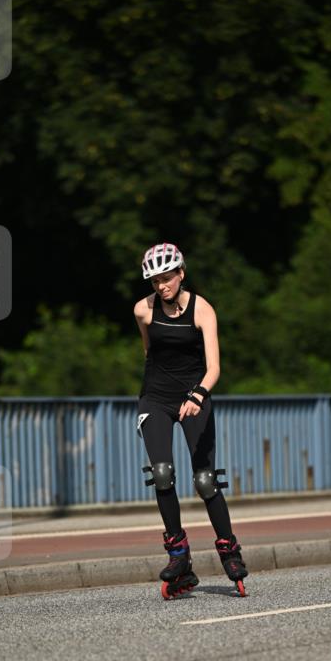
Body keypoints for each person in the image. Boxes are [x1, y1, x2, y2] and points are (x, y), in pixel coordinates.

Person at [134, 242, 248, 598]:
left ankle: (229, 549)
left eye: (166, 277)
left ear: (181, 274)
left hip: (195, 395)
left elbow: (215, 367)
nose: (161, 285)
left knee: (204, 480)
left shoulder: (203, 310)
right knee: (163, 472)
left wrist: (197, 394)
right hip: (156, 396)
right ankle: (179, 556)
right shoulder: (143, 310)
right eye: (154, 280)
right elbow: (149, 352)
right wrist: (160, 393)